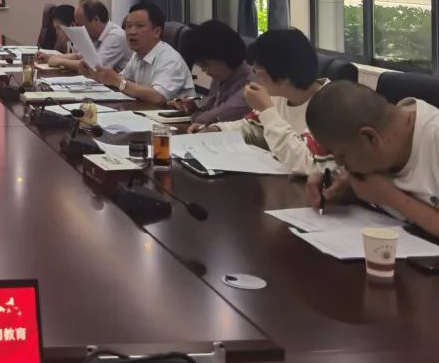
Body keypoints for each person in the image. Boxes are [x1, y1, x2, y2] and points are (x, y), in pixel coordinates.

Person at [190, 28, 333, 177]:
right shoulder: (280, 94)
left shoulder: (330, 106)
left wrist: (267, 111)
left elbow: (308, 163)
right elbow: (251, 128)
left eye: (257, 71)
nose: (254, 78)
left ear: (283, 78)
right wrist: (217, 130)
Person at [304, 81, 439, 236]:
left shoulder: (434, 138)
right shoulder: (379, 146)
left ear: (370, 137)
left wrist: (391, 197)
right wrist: (343, 189)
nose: (340, 164)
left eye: (342, 156)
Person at [79, 2, 194, 105]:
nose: (131, 32)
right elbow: (123, 80)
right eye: (128, 26)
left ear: (157, 32)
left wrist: (118, 81)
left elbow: (158, 97)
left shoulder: (170, 59)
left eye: (140, 26)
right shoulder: (138, 54)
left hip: (175, 119)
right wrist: (95, 75)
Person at [170, 20, 252, 124]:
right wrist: (192, 108)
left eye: (204, 64)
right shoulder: (221, 77)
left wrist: (196, 115)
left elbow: (207, 119)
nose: (203, 70)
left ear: (224, 56)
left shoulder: (251, 87)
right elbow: (209, 110)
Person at [40, 0, 130, 72]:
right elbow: (78, 56)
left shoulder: (116, 36)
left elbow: (95, 67)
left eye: (80, 25)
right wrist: (51, 57)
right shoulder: (95, 35)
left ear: (95, 20)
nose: (77, 28)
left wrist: (60, 61)